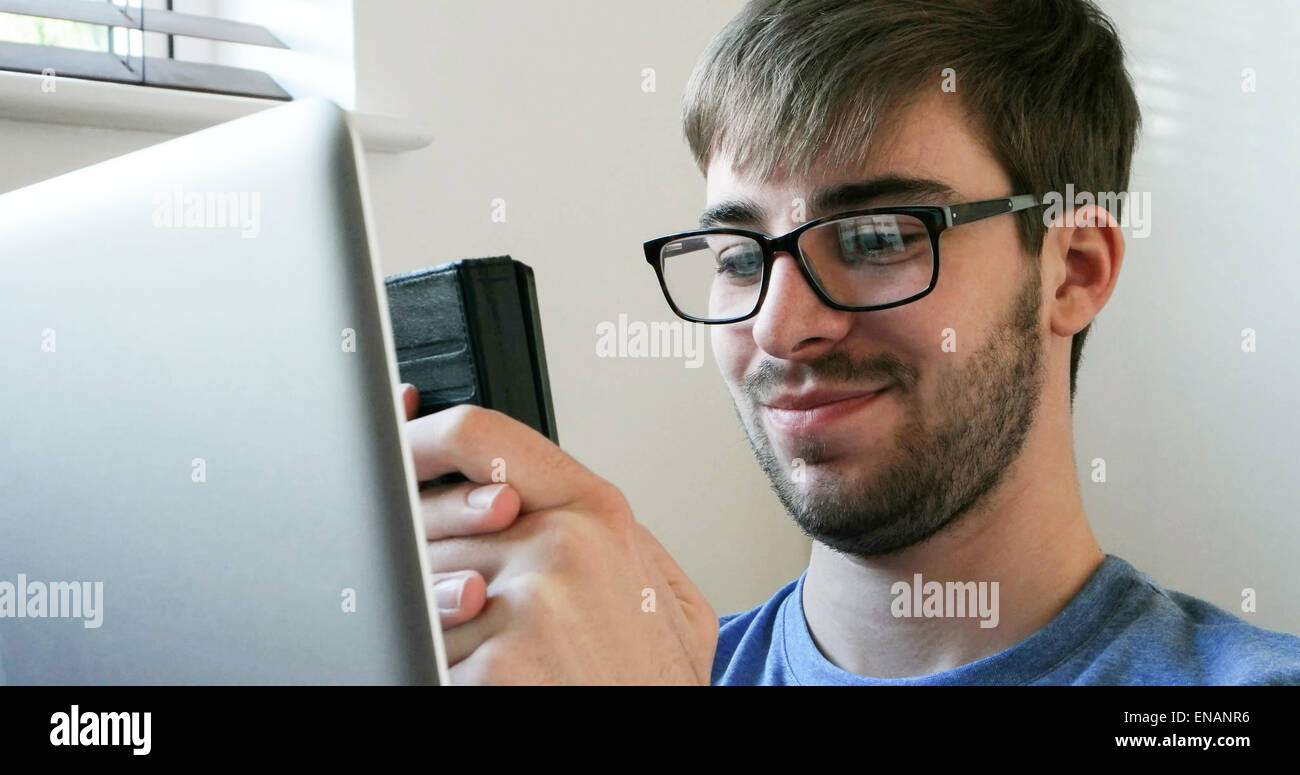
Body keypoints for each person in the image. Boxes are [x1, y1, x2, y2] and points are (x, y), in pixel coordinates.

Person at [411, 0, 1300, 685]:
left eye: (876, 237)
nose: (778, 326)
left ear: (1070, 269)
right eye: (737, 254)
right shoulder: (646, 664)